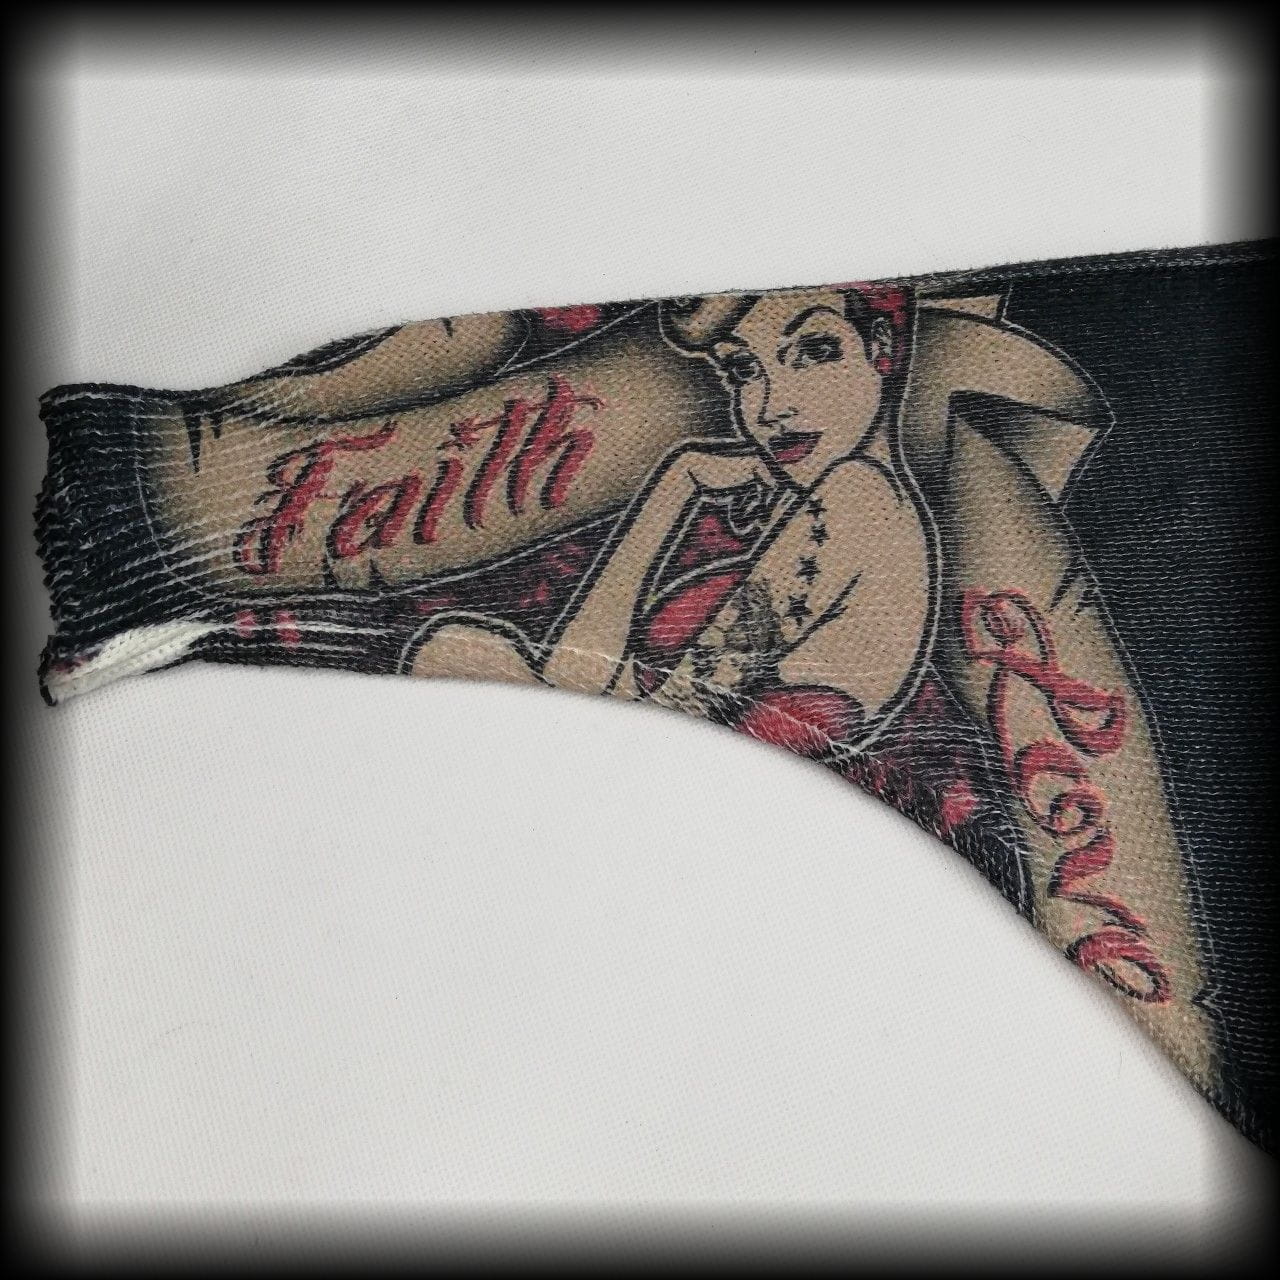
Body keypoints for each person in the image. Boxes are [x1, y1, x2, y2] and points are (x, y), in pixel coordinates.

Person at [404, 286, 937, 760]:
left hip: (681, 771)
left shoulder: (858, 494)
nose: (771, 407)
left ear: (880, 348)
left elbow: (666, 694)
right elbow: (578, 675)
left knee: (454, 646)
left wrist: (672, 492)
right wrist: (678, 482)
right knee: (453, 643)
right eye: (744, 370)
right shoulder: (839, 501)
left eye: (813, 352)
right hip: (677, 765)